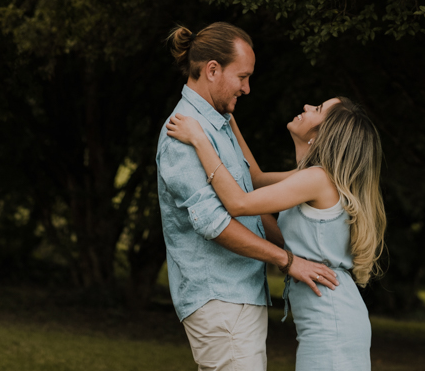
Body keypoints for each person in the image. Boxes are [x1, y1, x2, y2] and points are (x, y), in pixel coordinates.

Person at [157, 22, 339, 371]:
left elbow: (250, 200)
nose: (248, 87)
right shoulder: (182, 133)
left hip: (239, 296)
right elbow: (215, 223)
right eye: (242, 76)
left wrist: (296, 251)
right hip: (220, 299)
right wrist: (287, 261)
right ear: (212, 70)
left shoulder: (217, 123)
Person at [167, 95, 386, 371]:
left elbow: (239, 202)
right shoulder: (313, 177)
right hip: (336, 317)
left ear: (324, 133)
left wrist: (200, 139)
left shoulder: (317, 179)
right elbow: (254, 179)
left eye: (317, 109)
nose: (306, 106)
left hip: (333, 325)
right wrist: (225, 116)